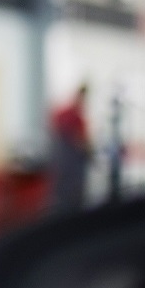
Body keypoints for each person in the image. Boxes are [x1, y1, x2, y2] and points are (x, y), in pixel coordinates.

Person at [48, 84, 91, 212]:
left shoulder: (71, 114)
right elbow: (78, 140)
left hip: (67, 164)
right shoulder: (71, 115)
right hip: (70, 165)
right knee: (69, 195)